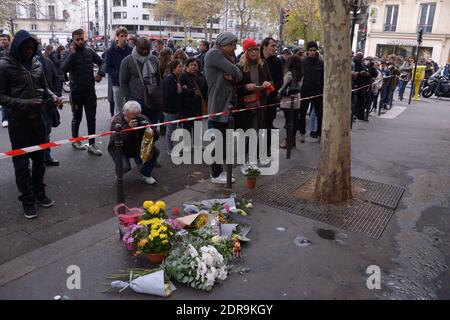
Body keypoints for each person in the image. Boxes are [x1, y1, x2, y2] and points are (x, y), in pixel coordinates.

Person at [0, 30, 63, 218]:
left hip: (38, 120)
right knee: (21, 164)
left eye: (32, 48)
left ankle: (39, 193)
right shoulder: (4, 66)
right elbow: (1, 96)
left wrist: (53, 97)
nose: (29, 51)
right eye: (25, 48)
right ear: (17, 47)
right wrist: (25, 104)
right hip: (18, 122)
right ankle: (27, 199)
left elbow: (44, 87)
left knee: (39, 160)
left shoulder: (36, 63)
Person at [204, 32, 243, 184]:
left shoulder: (227, 57)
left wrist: (233, 73)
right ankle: (215, 173)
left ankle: (219, 170)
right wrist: (233, 72)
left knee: (224, 142)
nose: (234, 47)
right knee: (217, 142)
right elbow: (236, 72)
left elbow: (238, 75)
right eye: (232, 44)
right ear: (222, 44)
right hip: (218, 105)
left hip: (227, 105)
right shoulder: (214, 54)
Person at [61, 29, 105, 155]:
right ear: (73, 40)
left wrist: (100, 73)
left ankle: (92, 145)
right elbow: (63, 68)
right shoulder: (68, 53)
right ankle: (75, 141)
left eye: (82, 39)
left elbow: (102, 63)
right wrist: (72, 54)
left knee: (91, 118)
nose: (80, 41)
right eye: (77, 39)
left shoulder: (89, 51)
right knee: (77, 117)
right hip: (76, 92)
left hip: (90, 91)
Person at [235, 38, 273, 173]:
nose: (254, 52)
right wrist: (245, 87)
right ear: (246, 52)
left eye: (256, 50)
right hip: (244, 107)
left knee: (255, 134)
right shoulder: (239, 67)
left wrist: (267, 85)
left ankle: (251, 161)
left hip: (259, 105)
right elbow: (234, 89)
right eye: (251, 50)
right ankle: (242, 162)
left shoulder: (262, 64)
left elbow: (270, 81)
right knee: (244, 135)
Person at [108, 101, 160, 185]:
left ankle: (145, 174)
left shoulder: (143, 118)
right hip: (121, 149)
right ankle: (120, 173)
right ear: (124, 113)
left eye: (136, 117)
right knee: (125, 167)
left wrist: (150, 129)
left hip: (137, 147)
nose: (134, 120)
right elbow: (115, 141)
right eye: (130, 118)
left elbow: (156, 138)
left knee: (155, 151)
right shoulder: (117, 121)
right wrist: (128, 128)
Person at [119, 36, 163, 126]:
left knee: (152, 127)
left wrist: (160, 96)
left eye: (147, 49)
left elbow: (159, 79)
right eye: (142, 49)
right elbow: (123, 82)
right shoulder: (127, 61)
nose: (145, 51)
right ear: (136, 46)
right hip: (136, 100)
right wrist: (129, 100)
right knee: (137, 128)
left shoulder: (154, 59)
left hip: (153, 100)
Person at [105, 26, 133, 114]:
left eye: (125, 36)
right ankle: (119, 126)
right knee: (118, 108)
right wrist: (118, 74)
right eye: (122, 36)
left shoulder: (131, 50)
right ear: (117, 37)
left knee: (130, 107)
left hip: (129, 83)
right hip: (117, 83)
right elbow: (107, 67)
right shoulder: (111, 51)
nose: (124, 38)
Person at [278, 54, 303, 148]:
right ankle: (292, 140)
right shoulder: (301, 74)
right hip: (297, 99)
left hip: (287, 100)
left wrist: (279, 92)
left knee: (289, 121)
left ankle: (287, 141)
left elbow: (283, 87)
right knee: (294, 121)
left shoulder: (289, 74)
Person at [300, 41, 324, 137]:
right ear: (307, 51)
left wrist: (321, 90)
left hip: (317, 92)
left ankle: (318, 133)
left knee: (319, 113)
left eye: (314, 50)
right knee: (302, 113)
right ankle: (302, 132)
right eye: (310, 50)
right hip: (305, 91)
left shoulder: (321, 62)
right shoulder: (303, 62)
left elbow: (323, 78)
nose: (312, 52)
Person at [179, 57, 208, 139]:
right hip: (187, 108)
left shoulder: (202, 77)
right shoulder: (183, 76)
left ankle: (197, 146)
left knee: (197, 128)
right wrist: (192, 91)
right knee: (187, 129)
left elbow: (205, 90)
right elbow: (181, 90)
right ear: (187, 66)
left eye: (195, 65)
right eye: (191, 65)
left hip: (198, 107)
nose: (193, 67)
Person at [162, 59, 185, 155]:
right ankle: (169, 149)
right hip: (170, 109)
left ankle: (170, 147)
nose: (181, 68)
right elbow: (171, 95)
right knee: (170, 130)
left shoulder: (176, 77)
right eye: (179, 67)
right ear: (174, 68)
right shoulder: (170, 78)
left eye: (181, 66)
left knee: (172, 129)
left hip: (173, 109)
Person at [0, 34, 11, 127]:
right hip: (2, 79)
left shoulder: (13, 51)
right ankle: (5, 118)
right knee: (4, 98)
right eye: (1, 40)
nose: (2, 41)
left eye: (4, 39)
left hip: (11, 78)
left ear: (9, 41)